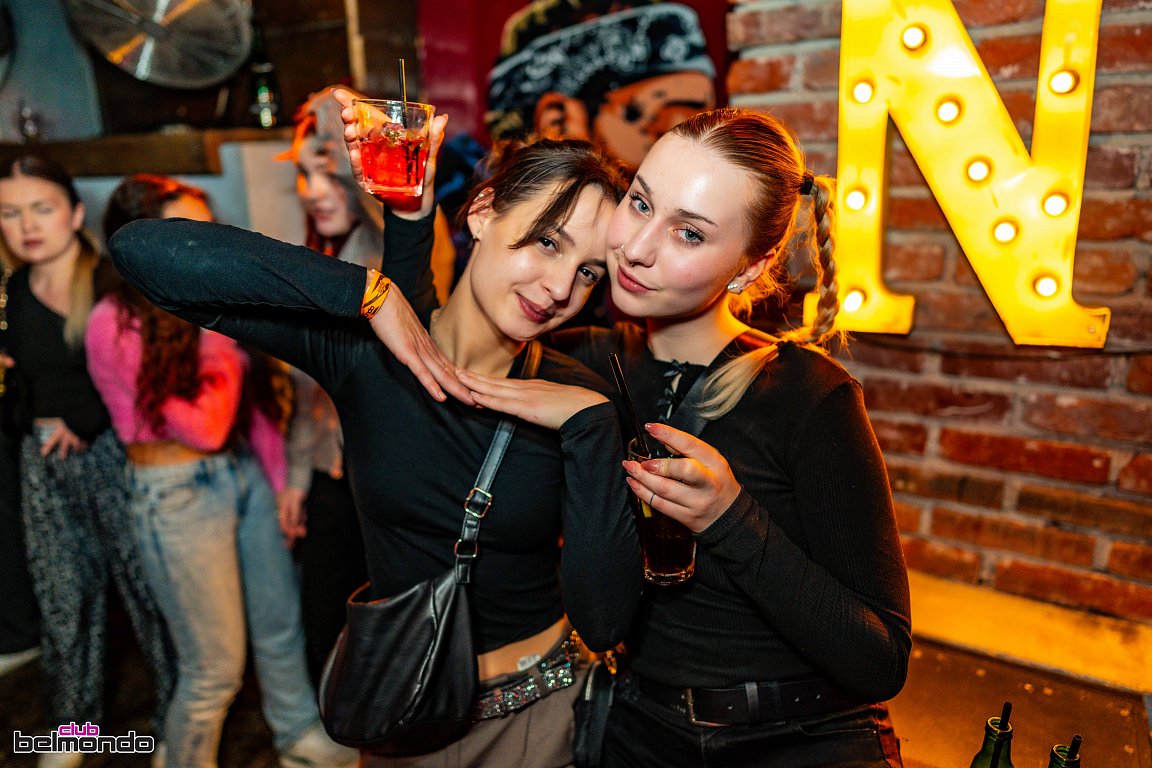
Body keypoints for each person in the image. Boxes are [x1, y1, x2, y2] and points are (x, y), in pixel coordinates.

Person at [364, 107, 912, 766]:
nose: (638, 248)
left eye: (689, 233)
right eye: (641, 203)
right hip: (636, 734)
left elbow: (881, 659)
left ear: (749, 266)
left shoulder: (807, 394)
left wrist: (732, 519)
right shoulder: (580, 364)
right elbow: (429, 352)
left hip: (797, 743)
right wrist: (410, 216)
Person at [108, 123, 643, 767]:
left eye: (587, 271)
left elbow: (604, 619)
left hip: (540, 719)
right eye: (547, 241)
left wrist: (590, 429)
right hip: (402, 711)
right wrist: (366, 292)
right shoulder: (368, 357)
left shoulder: (577, 400)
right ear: (482, 212)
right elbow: (144, 251)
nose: (560, 288)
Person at [87, 173, 357, 768]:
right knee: (214, 666)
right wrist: (223, 340)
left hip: (243, 475)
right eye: (181, 232)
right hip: (175, 494)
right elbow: (205, 425)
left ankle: (297, 736)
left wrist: (282, 484)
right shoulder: (113, 321)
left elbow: (253, 414)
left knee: (280, 628)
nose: (199, 246)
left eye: (205, 230)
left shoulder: (205, 300)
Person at [0, 154, 175, 768]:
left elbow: (139, 378)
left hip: (114, 459)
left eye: (41, 209)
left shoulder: (107, 282)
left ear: (75, 214)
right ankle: (73, 733)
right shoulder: (14, 292)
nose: (27, 225)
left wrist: (82, 422)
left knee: (149, 600)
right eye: (10, 213)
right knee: (63, 604)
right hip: (43, 467)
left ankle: (176, 728)